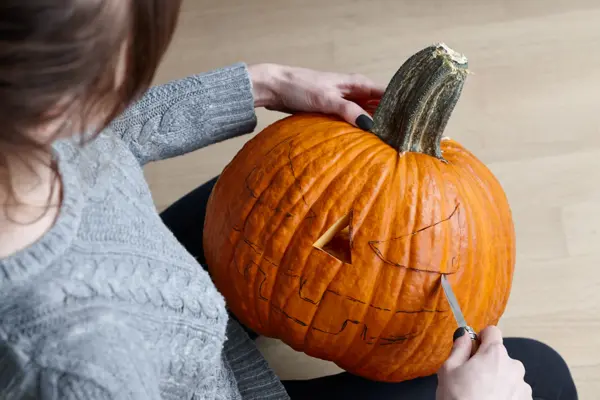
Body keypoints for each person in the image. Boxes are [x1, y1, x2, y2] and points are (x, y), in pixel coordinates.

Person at [0, 1, 577, 399]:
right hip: (180, 371)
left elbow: (106, 140)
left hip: (145, 290)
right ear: (59, 103)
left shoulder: (39, 135)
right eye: (122, 68)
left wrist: (262, 82)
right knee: (542, 375)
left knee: (285, 195)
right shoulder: (71, 369)